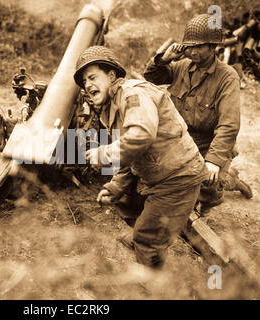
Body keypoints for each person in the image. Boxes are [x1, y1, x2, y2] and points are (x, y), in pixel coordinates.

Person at [73, 46, 209, 268]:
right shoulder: (111, 106)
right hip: (159, 174)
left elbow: (141, 136)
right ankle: (151, 229)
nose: (87, 85)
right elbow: (130, 156)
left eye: (92, 77)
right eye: (84, 82)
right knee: (124, 200)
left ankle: (155, 273)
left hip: (178, 177)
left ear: (111, 75)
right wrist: (116, 186)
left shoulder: (132, 94)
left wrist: (104, 153)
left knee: (146, 241)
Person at [144, 14, 252, 214]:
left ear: (212, 47)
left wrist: (213, 161)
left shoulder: (227, 77)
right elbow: (150, 78)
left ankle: (225, 183)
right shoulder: (182, 66)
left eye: (198, 47)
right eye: (189, 46)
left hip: (208, 143)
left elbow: (229, 125)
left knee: (209, 181)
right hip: (180, 138)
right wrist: (164, 59)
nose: (192, 52)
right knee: (153, 172)